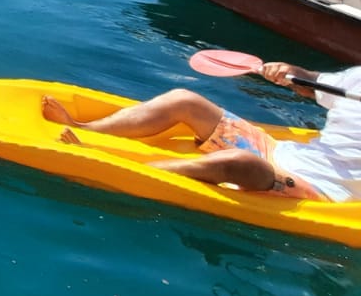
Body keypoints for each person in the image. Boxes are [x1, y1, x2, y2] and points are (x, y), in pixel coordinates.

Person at [42, 59, 361, 201]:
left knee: (239, 162)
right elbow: (312, 83)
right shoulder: (356, 77)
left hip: (319, 188)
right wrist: (291, 72)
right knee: (184, 101)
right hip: (280, 151)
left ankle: (114, 165)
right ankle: (85, 128)